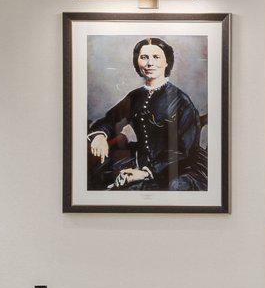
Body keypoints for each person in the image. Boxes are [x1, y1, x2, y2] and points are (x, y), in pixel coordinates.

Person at [86, 37, 207, 191]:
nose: (150, 63)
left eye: (156, 57)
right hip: (141, 162)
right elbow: (109, 120)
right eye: (144, 57)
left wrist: (146, 172)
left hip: (178, 167)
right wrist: (100, 136)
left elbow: (184, 149)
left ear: (167, 62)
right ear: (137, 62)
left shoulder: (181, 100)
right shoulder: (135, 97)